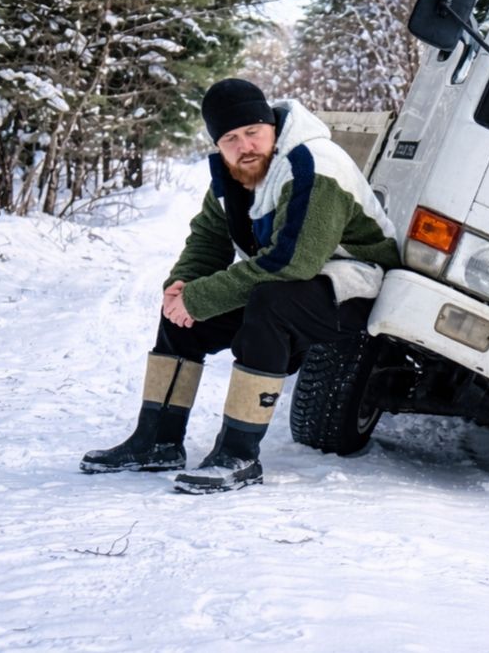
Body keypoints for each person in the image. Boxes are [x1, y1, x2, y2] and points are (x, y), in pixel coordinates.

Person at [80, 78, 400, 493]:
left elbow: (292, 263)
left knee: (270, 301)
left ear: (271, 125)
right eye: (230, 137)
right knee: (182, 319)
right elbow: (208, 239)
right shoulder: (234, 175)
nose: (245, 145)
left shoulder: (313, 164)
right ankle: (156, 443)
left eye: (253, 131)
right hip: (297, 282)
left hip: (355, 283)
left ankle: (238, 455)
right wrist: (181, 288)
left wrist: (199, 297)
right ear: (218, 144)